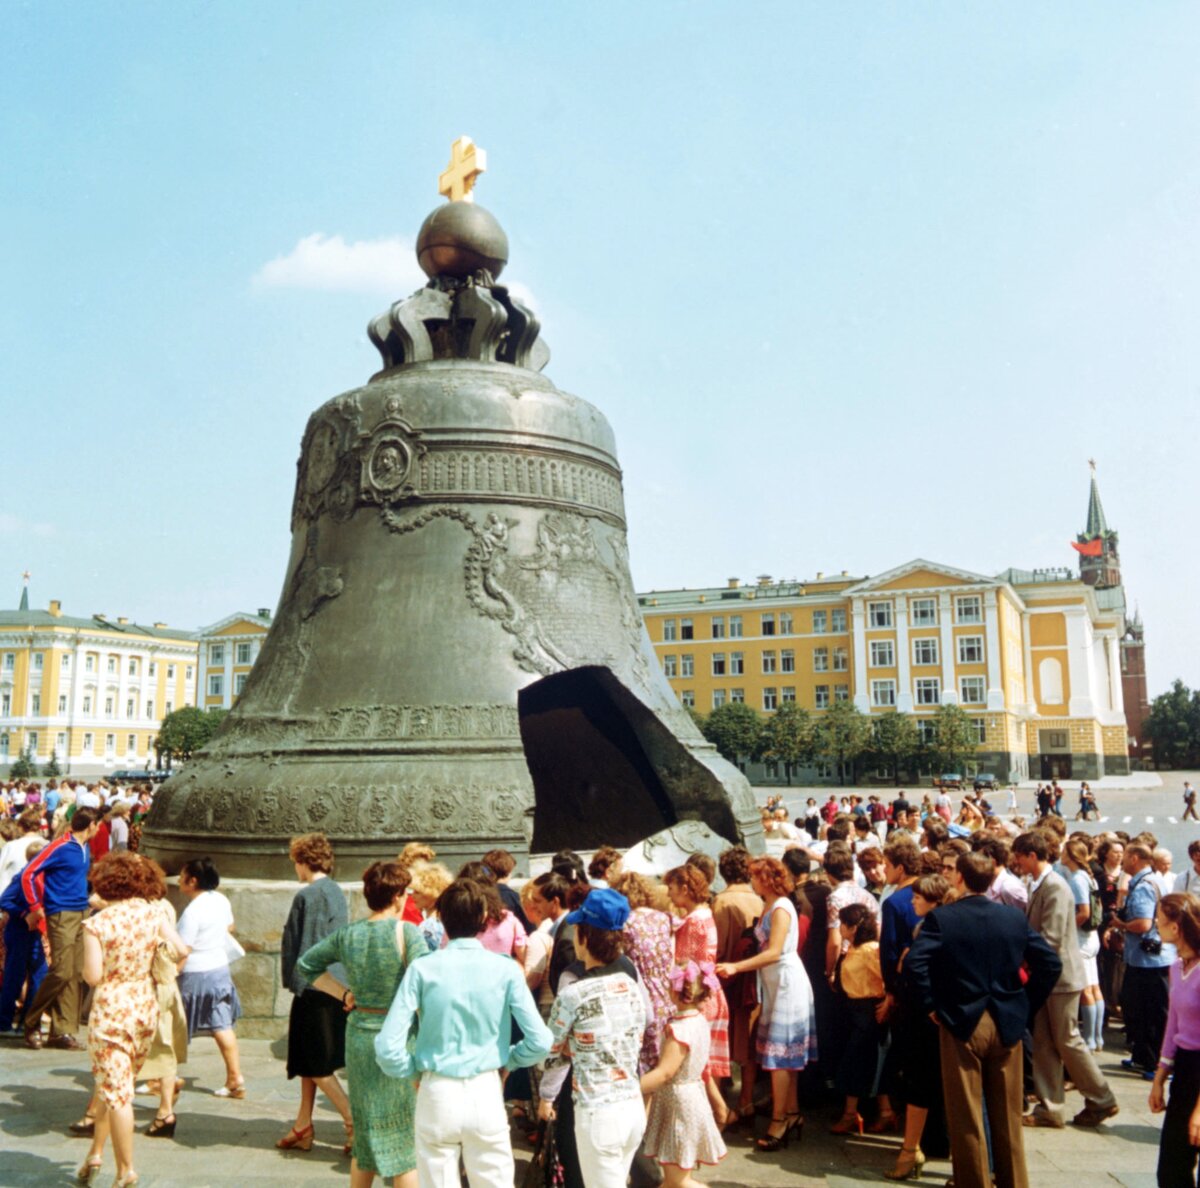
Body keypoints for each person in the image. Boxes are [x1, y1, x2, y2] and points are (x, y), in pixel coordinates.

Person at [375, 878, 551, 1188]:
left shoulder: (423, 968)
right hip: (485, 1088)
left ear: (441, 918)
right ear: (484, 919)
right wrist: (509, 1061)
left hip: (437, 1089)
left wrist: (413, 1071)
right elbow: (541, 1040)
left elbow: (388, 1047)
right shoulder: (506, 969)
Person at [904, 852, 1062, 1188]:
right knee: (1007, 1116)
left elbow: (914, 964)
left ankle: (974, 1183)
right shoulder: (1012, 918)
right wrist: (1024, 1004)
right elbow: (1049, 963)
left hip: (962, 1020)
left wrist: (932, 1005)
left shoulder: (943, 918)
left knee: (967, 1116)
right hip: (1007, 1020)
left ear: (959, 878)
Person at [298, 861, 430, 1188]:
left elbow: (306, 965)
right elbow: (428, 985)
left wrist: (344, 993)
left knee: (366, 1132)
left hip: (358, 1036)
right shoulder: (408, 933)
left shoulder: (349, 934)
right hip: (399, 1038)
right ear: (398, 897)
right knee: (403, 1142)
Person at [75, 852, 188, 1188]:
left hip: (111, 1009)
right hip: (144, 1006)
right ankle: (95, 1153)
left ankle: (126, 1170)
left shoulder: (97, 924)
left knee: (119, 1093)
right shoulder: (152, 913)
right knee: (114, 1085)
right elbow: (181, 949)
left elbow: (93, 976)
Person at [539, 888, 648, 1187]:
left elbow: (548, 1055)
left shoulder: (573, 994)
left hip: (597, 1114)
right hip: (632, 1107)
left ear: (584, 937)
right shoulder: (630, 983)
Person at [1010, 831, 1118, 1128]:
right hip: (1051, 978)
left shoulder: (1055, 887)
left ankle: (1102, 1098)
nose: (1016, 862)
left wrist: (1022, 958)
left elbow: (1052, 939)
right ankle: (1051, 1108)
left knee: (1067, 1039)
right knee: (1045, 1042)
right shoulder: (1044, 883)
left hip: (1060, 978)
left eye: (1019, 856)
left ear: (1033, 855)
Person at [715, 856, 816, 1151]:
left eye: (756, 877)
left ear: (768, 880)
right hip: (776, 985)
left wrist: (737, 966)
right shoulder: (771, 906)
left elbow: (773, 952)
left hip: (787, 984)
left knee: (780, 1058)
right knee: (785, 1057)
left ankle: (779, 1120)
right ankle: (791, 1112)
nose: (752, 881)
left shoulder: (781, 907)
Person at [277, 832, 352, 1154]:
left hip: (314, 988)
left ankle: (353, 1122)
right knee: (312, 1060)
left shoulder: (307, 896)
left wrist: (297, 981)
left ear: (303, 861)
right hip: (335, 986)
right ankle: (303, 1124)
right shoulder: (336, 891)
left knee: (317, 1065)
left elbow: (302, 944)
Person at [640, 959, 728, 1187]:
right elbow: (704, 1069)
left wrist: (627, 1089)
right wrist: (718, 1102)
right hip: (691, 1099)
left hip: (679, 1106)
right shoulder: (699, 1022)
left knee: (679, 1182)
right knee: (673, 1180)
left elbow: (664, 1073)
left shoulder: (679, 1029)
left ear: (678, 993)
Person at [20, 805, 100, 1049]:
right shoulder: (59, 846)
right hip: (61, 913)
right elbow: (28, 873)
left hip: (81, 911)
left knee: (75, 973)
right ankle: (31, 1021)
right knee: (62, 971)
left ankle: (62, 1030)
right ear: (91, 826)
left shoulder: (85, 847)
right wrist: (35, 906)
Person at [664, 864, 731, 1124]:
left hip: (698, 997)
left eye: (671, 888)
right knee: (705, 1064)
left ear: (684, 888)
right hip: (711, 991)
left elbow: (685, 964)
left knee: (696, 1067)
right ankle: (717, 1115)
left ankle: (716, 1114)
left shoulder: (692, 921)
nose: (669, 894)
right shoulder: (706, 914)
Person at [176, 857, 245, 1097]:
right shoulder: (220, 900)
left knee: (174, 1025)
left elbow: (183, 949)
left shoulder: (192, 912)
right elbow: (230, 926)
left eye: (182, 875)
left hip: (195, 972)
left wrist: (173, 972)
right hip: (219, 969)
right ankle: (235, 1076)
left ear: (192, 881)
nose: (178, 880)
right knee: (221, 1024)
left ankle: (161, 1078)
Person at [1149, 892, 1200, 1187]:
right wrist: (1159, 1078)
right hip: (1184, 1071)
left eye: (1160, 918)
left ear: (1176, 926)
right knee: (1171, 1169)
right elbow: (1173, 1025)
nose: (1156, 923)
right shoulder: (1177, 967)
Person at [711, 846, 763, 1124]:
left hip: (726, 978)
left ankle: (719, 1104)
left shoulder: (720, 903)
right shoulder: (759, 900)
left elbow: (716, 947)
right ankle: (746, 1101)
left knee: (721, 1041)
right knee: (748, 1041)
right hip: (752, 980)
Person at [1116, 843, 1176, 1077]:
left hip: (1148, 960)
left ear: (1134, 858)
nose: (1122, 860)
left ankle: (1156, 1063)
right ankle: (1142, 1055)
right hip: (1153, 957)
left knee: (1151, 1012)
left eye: (1126, 855)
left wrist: (1120, 925)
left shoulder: (1142, 886)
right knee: (1140, 1009)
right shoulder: (1155, 879)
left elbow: (1142, 924)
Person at [829, 902, 884, 1137]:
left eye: (843, 923)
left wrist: (887, 1001)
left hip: (867, 1010)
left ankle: (851, 1114)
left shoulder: (870, 950)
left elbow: (885, 977)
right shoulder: (853, 947)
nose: (839, 927)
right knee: (863, 1061)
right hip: (853, 1008)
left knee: (857, 1060)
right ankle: (885, 1111)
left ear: (853, 927)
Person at [613, 870, 675, 1075]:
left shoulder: (625, 922)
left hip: (641, 990)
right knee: (664, 1051)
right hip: (666, 990)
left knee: (643, 1056)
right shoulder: (663, 918)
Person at [1062, 837, 1105, 1052]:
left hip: (1081, 938)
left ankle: (1089, 1037)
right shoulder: (1088, 877)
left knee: (1086, 989)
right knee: (1095, 987)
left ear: (1071, 856)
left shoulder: (1077, 879)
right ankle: (1096, 1037)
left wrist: (1068, 928)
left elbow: (1084, 912)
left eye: (1064, 852)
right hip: (1092, 936)